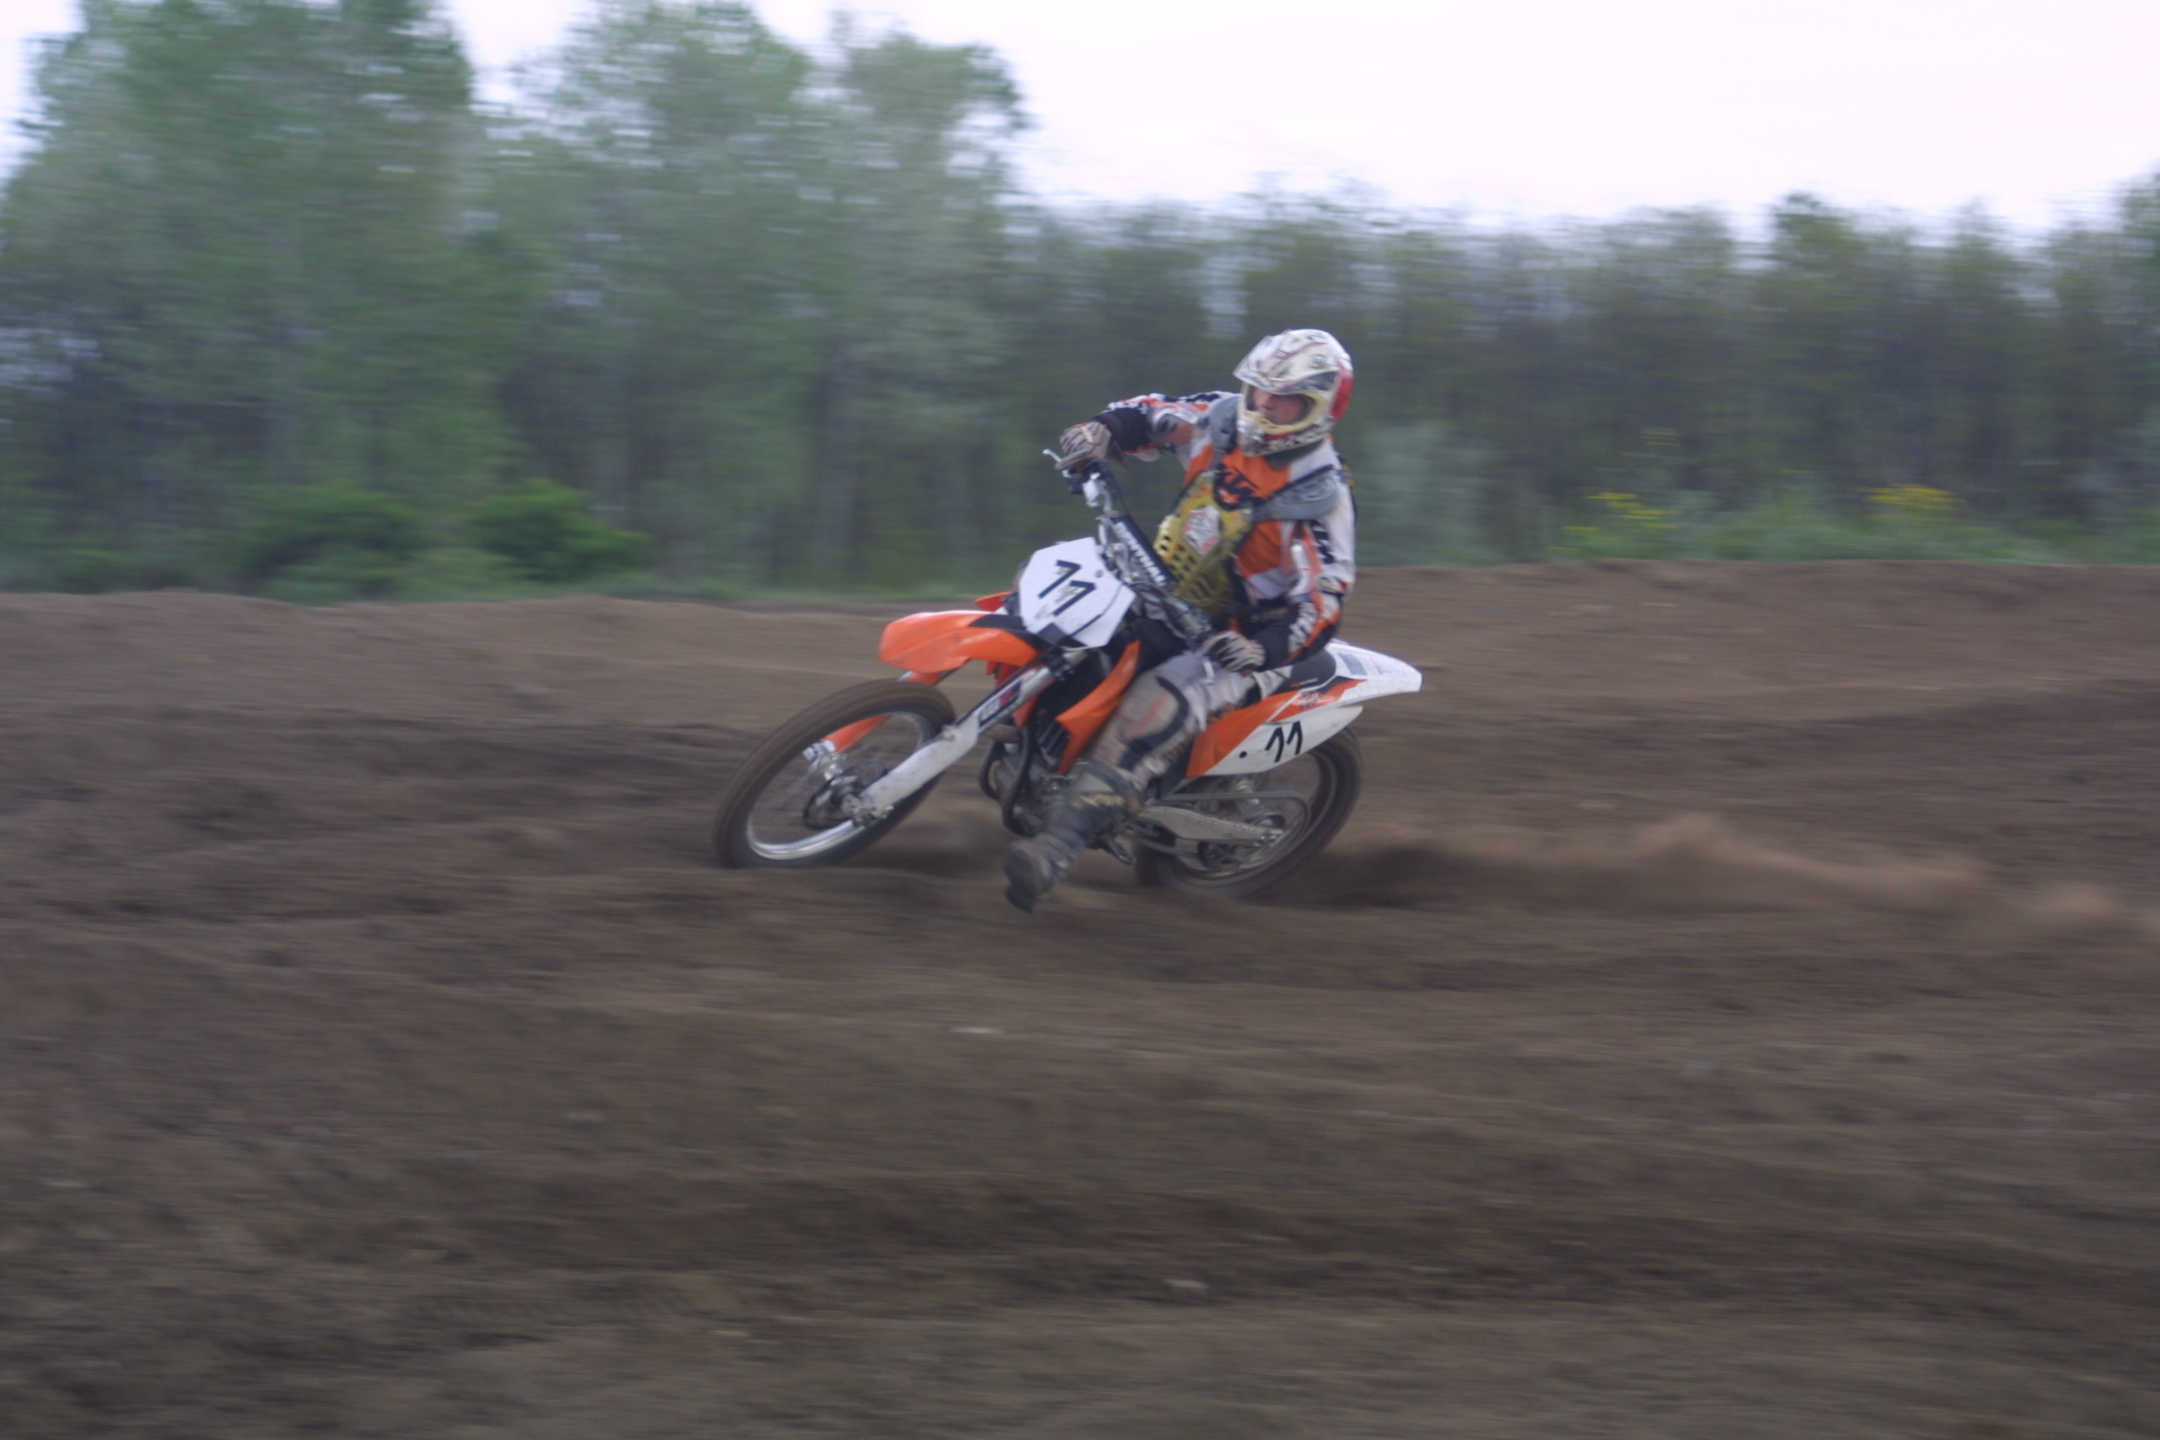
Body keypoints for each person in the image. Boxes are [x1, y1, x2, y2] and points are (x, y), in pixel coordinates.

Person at [1003, 328, 1358, 912]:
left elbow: (1324, 600)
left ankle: (1056, 850)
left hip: (1236, 639)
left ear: (1319, 409)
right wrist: (1103, 431)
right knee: (1045, 591)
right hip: (1161, 585)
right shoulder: (1221, 419)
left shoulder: (1321, 495)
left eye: (1284, 399)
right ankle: (1023, 733)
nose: (1263, 405)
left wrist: (1261, 650)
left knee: (1153, 706)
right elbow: (1152, 413)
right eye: (1259, 389)